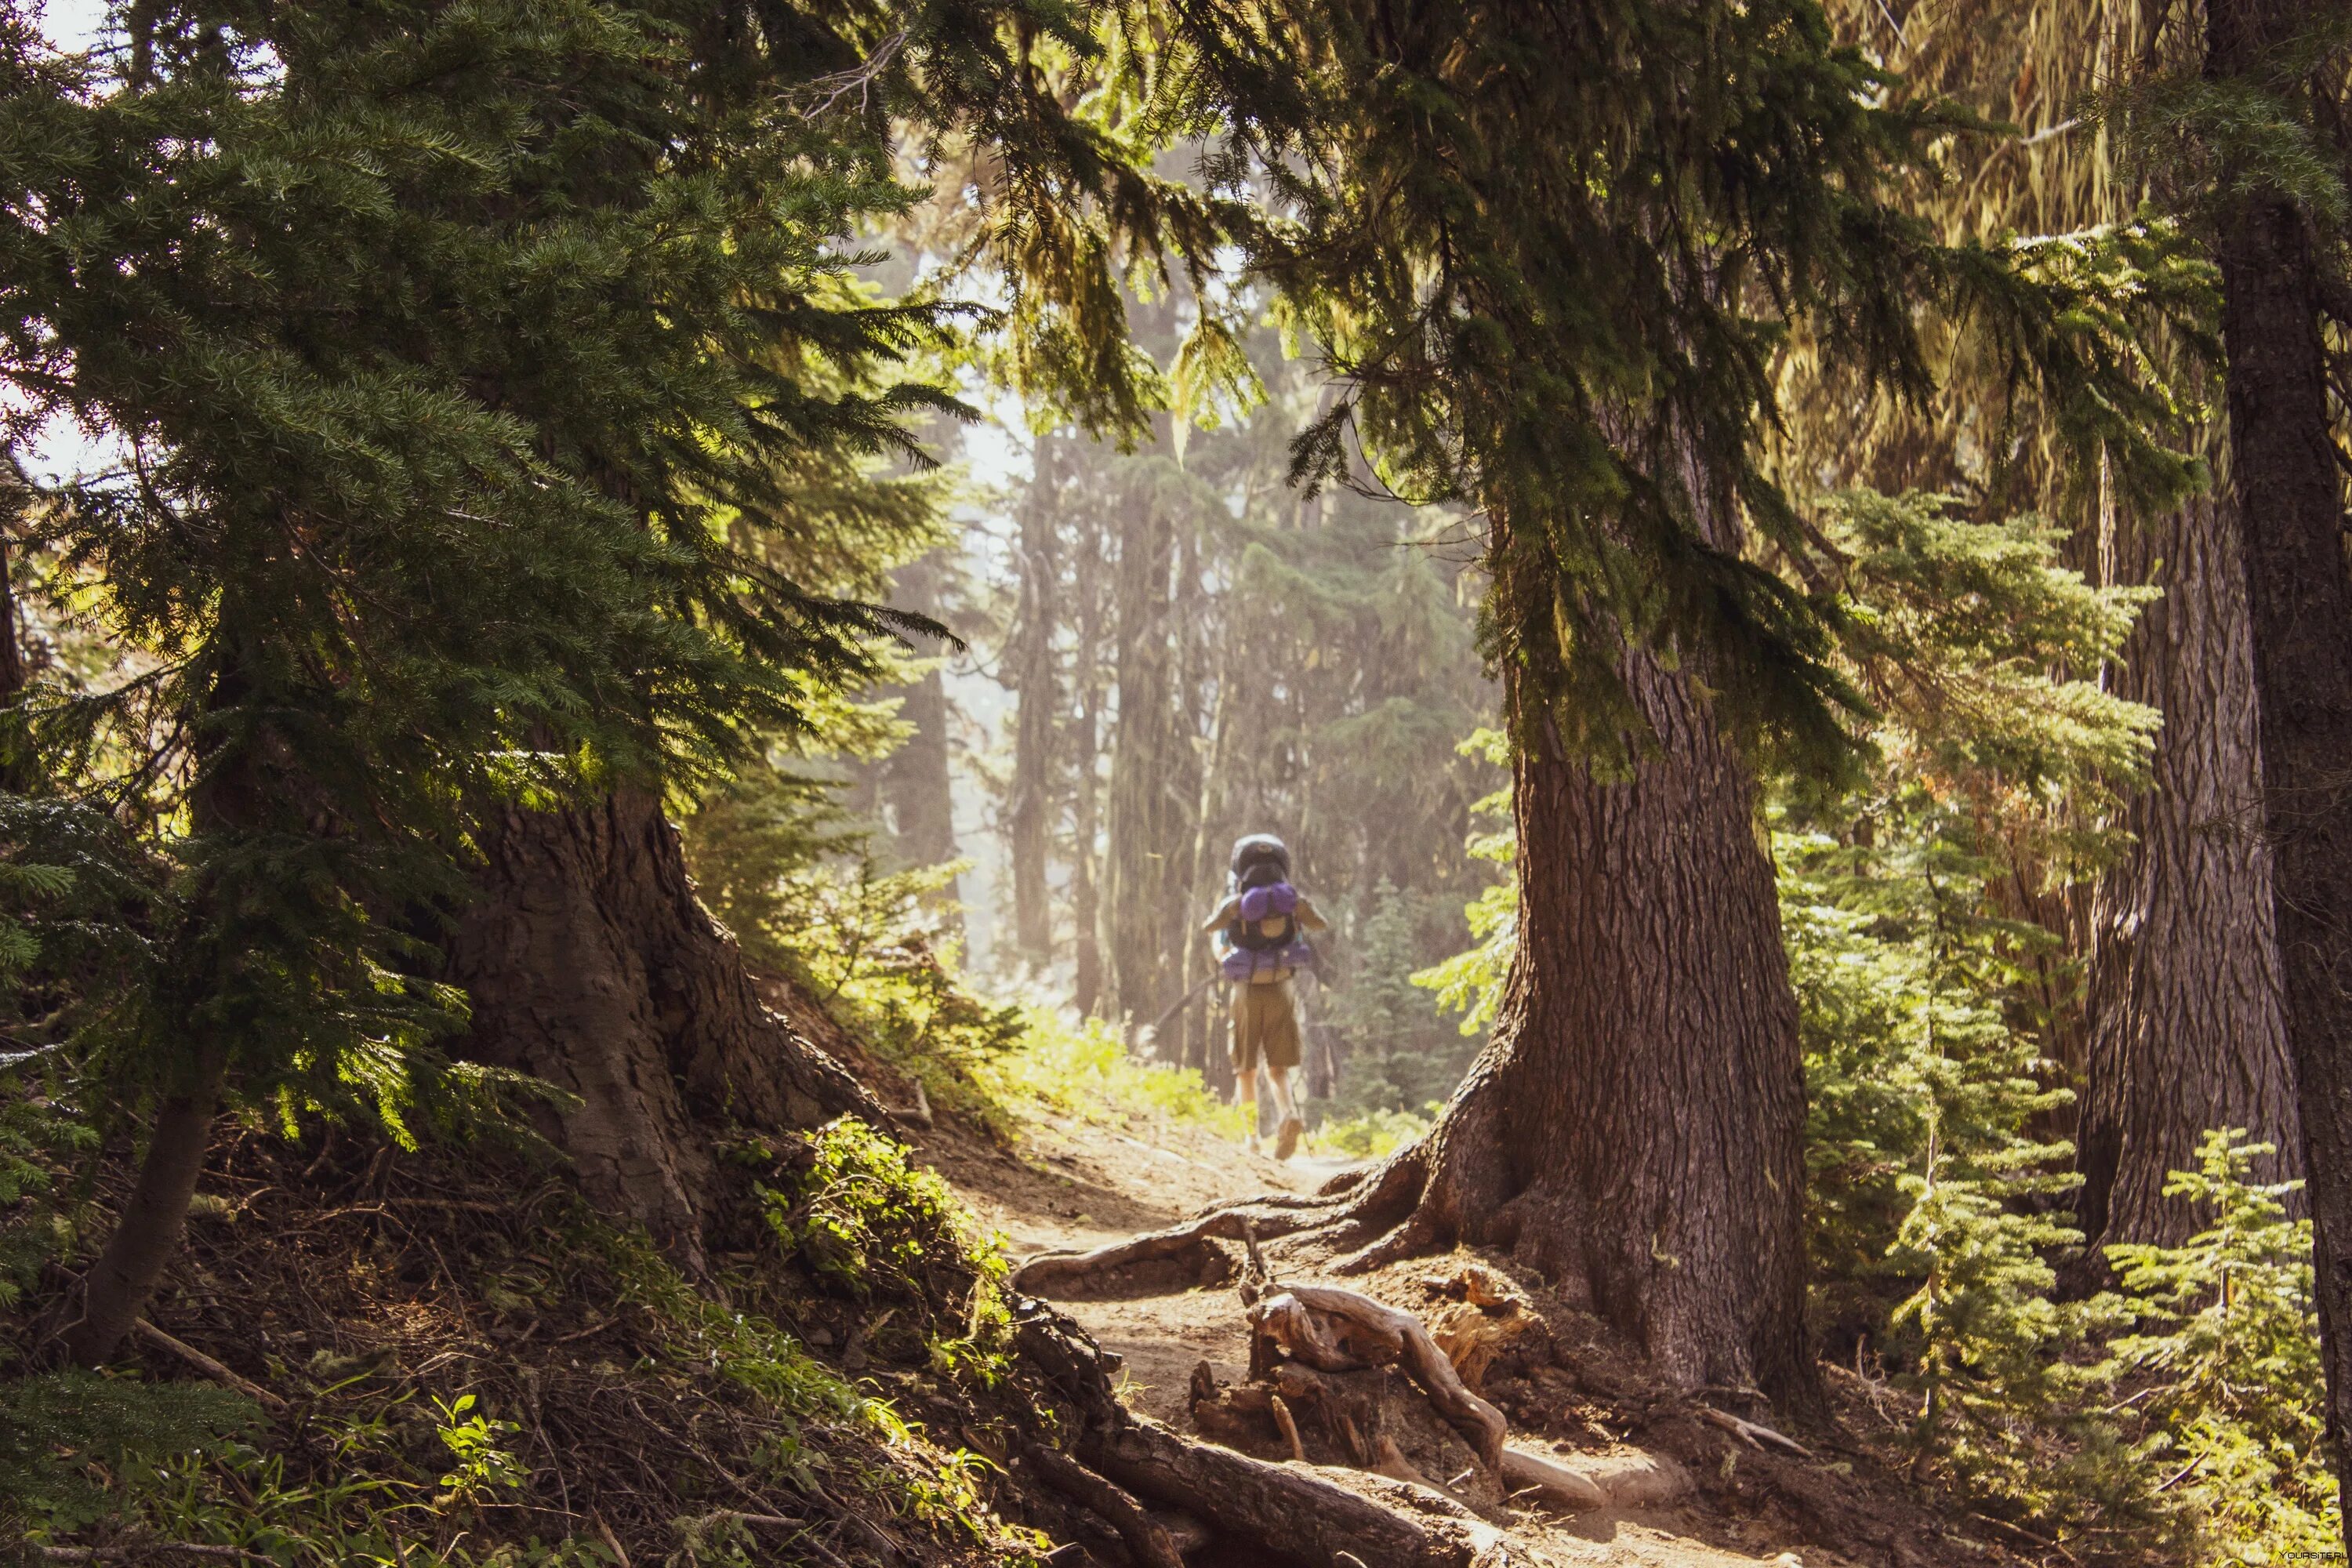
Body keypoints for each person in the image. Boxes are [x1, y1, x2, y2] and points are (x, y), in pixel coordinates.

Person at [1202, 834, 1327, 1160]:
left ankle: (1251, 1138)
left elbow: (1214, 938)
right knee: (1278, 1066)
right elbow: (1319, 925)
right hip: (1282, 987)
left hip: (1246, 991)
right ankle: (1288, 1114)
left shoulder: (1236, 903)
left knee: (1245, 1068)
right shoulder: (1290, 903)